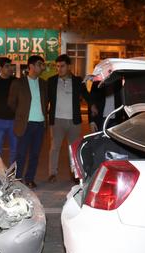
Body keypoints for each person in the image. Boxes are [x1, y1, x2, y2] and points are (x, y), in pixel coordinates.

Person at [47, 54, 90, 182]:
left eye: (62, 66)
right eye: (58, 66)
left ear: (69, 66)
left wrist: (92, 106)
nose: (59, 69)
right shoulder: (52, 81)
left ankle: (75, 174)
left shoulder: (78, 81)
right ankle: (52, 173)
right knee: (55, 148)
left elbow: (87, 96)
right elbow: (46, 99)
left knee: (74, 149)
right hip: (57, 121)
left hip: (74, 121)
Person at [8, 55, 48, 189]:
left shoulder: (43, 83)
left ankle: (30, 178)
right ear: (30, 66)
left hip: (40, 124)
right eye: (39, 64)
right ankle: (18, 178)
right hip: (25, 124)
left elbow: (45, 102)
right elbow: (11, 103)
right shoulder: (18, 83)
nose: (42, 67)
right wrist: (21, 115)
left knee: (35, 154)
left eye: (42, 65)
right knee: (21, 153)